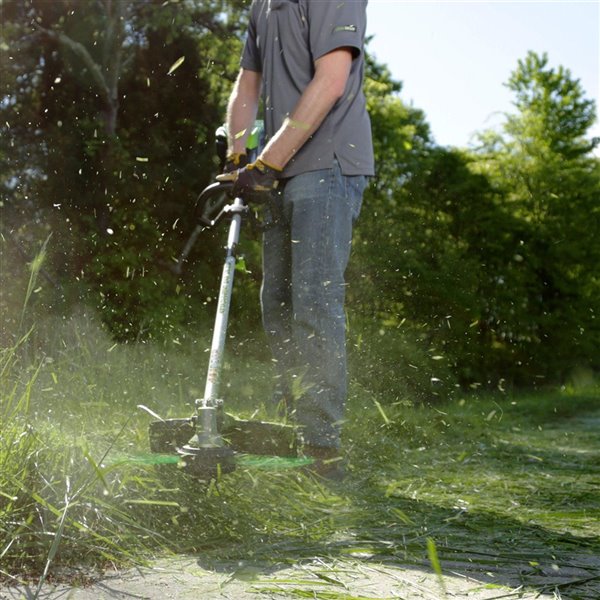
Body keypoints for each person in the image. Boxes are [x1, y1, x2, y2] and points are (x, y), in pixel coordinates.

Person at [220, 0, 374, 477]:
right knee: (278, 305)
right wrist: (236, 155)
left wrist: (266, 162)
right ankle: (292, 431)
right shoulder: (262, 6)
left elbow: (331, 79)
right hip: (278, 171)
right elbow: (248, 84)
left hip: (326, 164)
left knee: (313, 301)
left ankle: (322, 448)